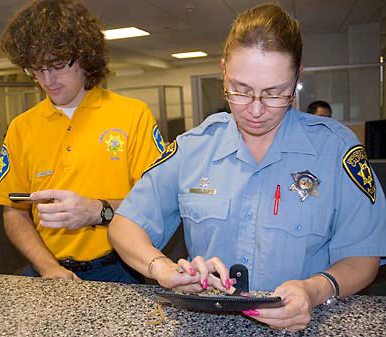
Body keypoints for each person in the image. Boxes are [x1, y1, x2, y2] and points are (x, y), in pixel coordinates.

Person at [108, 3, 386, 333]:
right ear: (223, 70)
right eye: (240, 90)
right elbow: (124, 226)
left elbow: (363, 257)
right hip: (210, 325)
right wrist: (162, 268)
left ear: (297, 77)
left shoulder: (335, 149)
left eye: (274, 93)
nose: (255, 109)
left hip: (305, 325)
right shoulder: (193, 148)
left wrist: (313, 290)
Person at [0, 0, 164, 283]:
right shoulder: (20, 128)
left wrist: (100, 210)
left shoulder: (132, 115)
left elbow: (157, 203)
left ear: (84, 58)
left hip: (119, 269)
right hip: (47, 271)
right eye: (36, 69)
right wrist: (49, 268)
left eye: (57, 66)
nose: (47, 80)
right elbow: (13, 212)